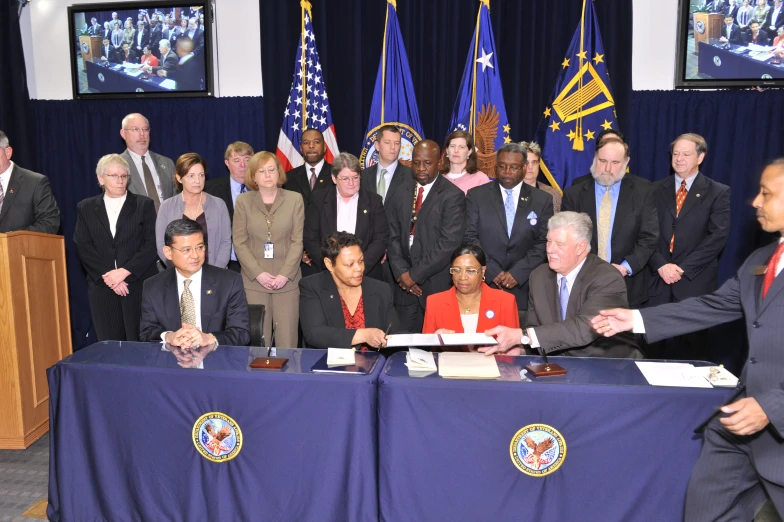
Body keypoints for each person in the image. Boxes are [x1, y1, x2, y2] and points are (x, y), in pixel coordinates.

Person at [590, 159, 784, 521]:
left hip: (773, 418)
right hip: (740, 426)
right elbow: (716, 305)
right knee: (706, 508)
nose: (755, 202)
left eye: (767, 194)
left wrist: (773, 407)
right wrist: (635, 318)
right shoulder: (762, 259)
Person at [481, 212, 641, 358]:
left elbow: (584, 329)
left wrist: (520, 335)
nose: (550, 249)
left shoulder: (606, 277)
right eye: (549, 241)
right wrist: (523, 349)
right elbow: (535, 326)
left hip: (608, 368)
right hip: (558, 367)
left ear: (580, 247)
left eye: (560, 244)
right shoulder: (539, 276)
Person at [646, 134, 730, 360]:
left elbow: (717, 237)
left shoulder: (718, 192)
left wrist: (681, 268)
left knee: (691, 357)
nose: (679, 159)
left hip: (695, 283)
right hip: (656, 282)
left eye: (686, 154)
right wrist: (661, 264)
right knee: (649, 355)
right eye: (675, 154)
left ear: (700, 157)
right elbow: (644, 234)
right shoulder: (652, 190)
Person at [562, 138, 658, 307]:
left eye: (615, 162)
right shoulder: (574, 194)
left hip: (628, 286)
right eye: (603, 161)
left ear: (626, 162)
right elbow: (567, 239)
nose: (607, 169)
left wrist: (625, 267)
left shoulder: (644, 191)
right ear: (594, 158)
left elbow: (648, 238)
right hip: (582, 285)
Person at [73, 154, 157, 341]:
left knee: (141, 344)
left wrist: (125, 272)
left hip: (137, 284)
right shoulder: (86, 207)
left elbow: (151, 244)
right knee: (110, 345)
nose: (120, 181)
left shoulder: (143, 204)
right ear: (101, 179)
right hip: (103, 287)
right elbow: (83, 246)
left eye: (124, 176)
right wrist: (110, 276)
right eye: (114, 176)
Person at [464, 143, 552, 319]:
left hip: (525, 288)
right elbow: (469, 237)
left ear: (525, 167)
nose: (507, 172)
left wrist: (517, 273)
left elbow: (544, 242)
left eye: (514, 167)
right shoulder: (476, 196)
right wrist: (491, 270)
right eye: (502, 166)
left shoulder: (542, 200)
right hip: (485, 284)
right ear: (496, 166)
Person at [386, 140, 466, 332]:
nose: (421, 168)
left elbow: (448, 244)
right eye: (416, 162)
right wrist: (402, 274)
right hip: (402, 287)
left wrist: (414, 275)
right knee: (402, 348)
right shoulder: (401, 191)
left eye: (427, 163)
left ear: (439, 163)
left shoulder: (452, 195)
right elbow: (391, 235)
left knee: (435, 347)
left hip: (435, 285)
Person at [139, 219, 250, 346]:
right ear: (168, 252)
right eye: (186, 250)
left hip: (216, 359)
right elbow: (146, 332)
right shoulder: (153, 286)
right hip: (171, 361)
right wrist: (169, 337)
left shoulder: (229, 282)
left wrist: (209, 338)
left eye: (200, 247)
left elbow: (241, 333)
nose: (195, 255)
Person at [233, 151, 304, 348]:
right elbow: (239, 242)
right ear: (253, 176)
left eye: (271, 170)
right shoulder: (243, 202)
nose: (267, 175)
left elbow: (297, 241)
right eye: (261, 171)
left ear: (279, 172)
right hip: (255, 282)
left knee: (287, 342)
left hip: (287, 283)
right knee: (257, 342)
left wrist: (284, 275)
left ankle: (289, 377)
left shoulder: (294, 199)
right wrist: (259, 274)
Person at [299, 232, 401, 350]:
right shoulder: (312, 286)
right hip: (329, 364)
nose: (359, 268)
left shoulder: (381, 289)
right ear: (329, 264)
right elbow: (314, 333)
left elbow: (394, 333)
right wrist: (363, 335)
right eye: (349, 264)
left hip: (373, 364)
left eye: (361, 261)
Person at [304, 152, 388, 279]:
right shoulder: (319, 199)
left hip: (365, 275)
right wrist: (332, 267)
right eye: (345, 179)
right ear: (334, 178)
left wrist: (359, 268)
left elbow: (380, 239)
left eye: (355, 177)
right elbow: (310, 238)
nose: (351, 183)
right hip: (327, 275)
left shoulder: (374, 201)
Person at [422, 244, 520, 337]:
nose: (463, 277)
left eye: (470, 271)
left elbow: (515, 348)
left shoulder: (505, 301)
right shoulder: (434, 302)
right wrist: (435, 341)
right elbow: (426, 350)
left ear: (483, 271)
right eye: (457, 270)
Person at [156, 153, 231, 269]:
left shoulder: (218, 204)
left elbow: (225, 242)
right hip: (179, 274)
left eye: (201, 175)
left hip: (215, 274)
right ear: (179, 178)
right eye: (191, 176)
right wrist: (179, 271)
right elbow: (161, 244)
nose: (198, 180)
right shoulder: (166, 206)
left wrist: (215, 273)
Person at [283, 128, 334, 277]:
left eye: (316, 142)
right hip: (299, 258)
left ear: (324, 147)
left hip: (331, 254)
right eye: (306, 143)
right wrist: (301, 251)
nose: (311, 146)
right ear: (300, 148)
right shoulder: (287, 178)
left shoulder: (337, 176)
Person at [204, 141, 254, 272]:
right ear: (227, 163)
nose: (243, 165)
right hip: (225, 262)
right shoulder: (210, 189)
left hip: (257, 260)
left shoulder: (263, 188)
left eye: (247, 159)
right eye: (237, 160)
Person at [0, 130, 60, 234]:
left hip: (22, 248)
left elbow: (49, 223)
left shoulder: (35, 183)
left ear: (8, 152)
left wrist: (14, 238)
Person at [120, 113, 175, 212]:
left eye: (145, 129)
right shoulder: (117, 165)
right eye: (135, 129)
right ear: (123, 134)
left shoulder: (167, 163)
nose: (142, 134)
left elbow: (176, 198)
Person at [361, 125, 412, 204]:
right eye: (387, 142)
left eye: (397, 143)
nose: (393, 147)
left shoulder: (411, 176)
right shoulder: (363, 176)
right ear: (377, 145)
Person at [439, 130, 491, 195]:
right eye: (452, 146)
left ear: (469, 152)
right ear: (447, 150)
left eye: (462, 147)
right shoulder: (437, 178)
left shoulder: (480, 179)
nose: (456, 150)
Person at [520, 141, 562, 212]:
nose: (530, 166)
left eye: (534, 162)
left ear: (539, 164)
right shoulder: (507, 192)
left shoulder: (553, 194)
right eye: (525, 162)